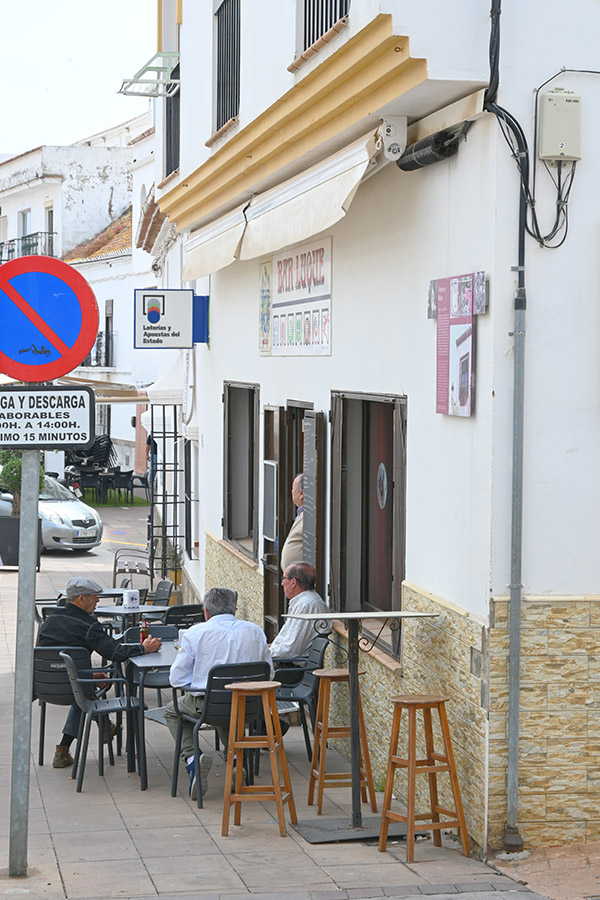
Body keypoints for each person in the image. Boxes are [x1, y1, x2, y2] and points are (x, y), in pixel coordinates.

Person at [37, 576, 162, 769]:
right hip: (76, 688)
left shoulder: (49, 621)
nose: (97, 601)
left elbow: (53, 658)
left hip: (46, 687)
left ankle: (64, 748)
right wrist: (143, 648)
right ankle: (102, 725)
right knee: (84, 693)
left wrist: (88, 673)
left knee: (81, 688)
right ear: (81, 599)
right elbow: (115, 652)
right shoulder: (88, 625)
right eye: (94, 597)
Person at [165, 586, 273, 800]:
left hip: (211, 705)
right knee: (229, 704)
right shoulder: (255, 631)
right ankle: (235, 762)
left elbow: (176, 679)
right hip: (251, 706)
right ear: (234, 608)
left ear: (206, 612)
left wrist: (196, 683)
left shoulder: (195, 633)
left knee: (172, 710)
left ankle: (192, 759)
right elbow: (268, 673)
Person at [270, 562, 330, 660]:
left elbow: (289, 651)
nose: (282, 583)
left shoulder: (306, 605)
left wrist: (261, 654)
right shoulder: (301, 602)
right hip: (284, 663)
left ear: (293, 582)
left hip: (290, 669)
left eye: (284, 578)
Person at [280, 472, 304, 571]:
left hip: (302, 578)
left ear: (301, 493)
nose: (291, 492)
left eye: (293, 489)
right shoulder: (302, 513)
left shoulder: (310, 516)